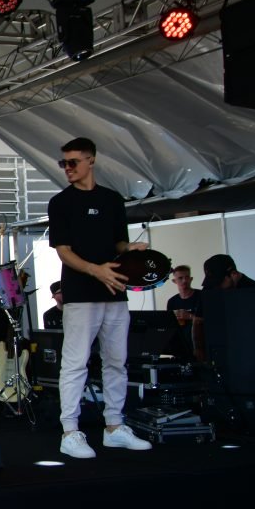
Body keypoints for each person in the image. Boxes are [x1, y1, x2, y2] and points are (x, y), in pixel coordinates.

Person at [48, 137, 152, 459]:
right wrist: (96, 270)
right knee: (75, 363)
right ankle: (70, 432)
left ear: (91, 160)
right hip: (81, 295)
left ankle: (114, 427)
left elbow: (118, 242)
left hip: (115, 291)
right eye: (64, 163)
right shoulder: (61, 202)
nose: (67, 168)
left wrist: (130, 249)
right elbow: (64, 252)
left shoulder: (112, 199)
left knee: (117, 361)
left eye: (73, 162)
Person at [166, 265, 203, 360]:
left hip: (202, 346)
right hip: (181, 348)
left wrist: (190, 316)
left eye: (187, 277)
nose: (184, 280)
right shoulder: (172, 302)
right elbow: (169, 326)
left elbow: (212, 321)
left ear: (191, 279)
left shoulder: (202, 296)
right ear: (174, 281)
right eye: (180, 278)